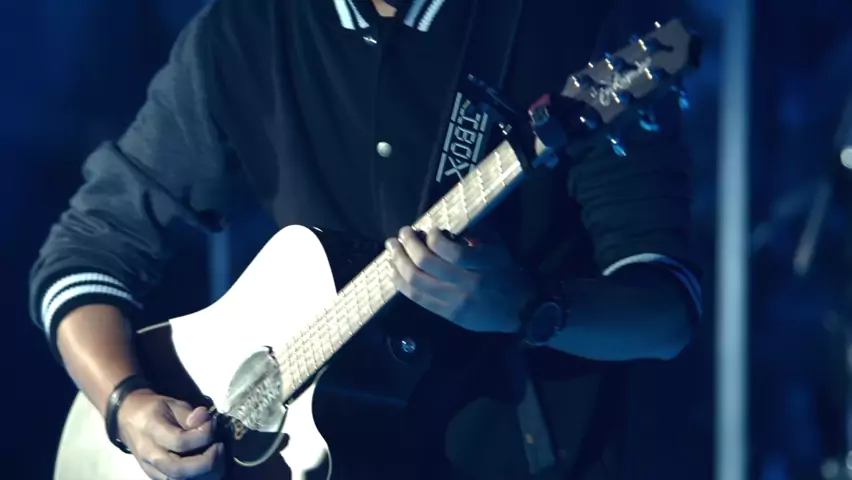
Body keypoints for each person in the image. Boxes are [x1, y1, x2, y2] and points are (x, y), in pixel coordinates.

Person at [29, 0, 701, 478]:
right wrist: (125, 404)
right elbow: (88, 248)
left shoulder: (571, 21)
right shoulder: (244, 30)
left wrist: (530, 307)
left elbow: (667, 316)